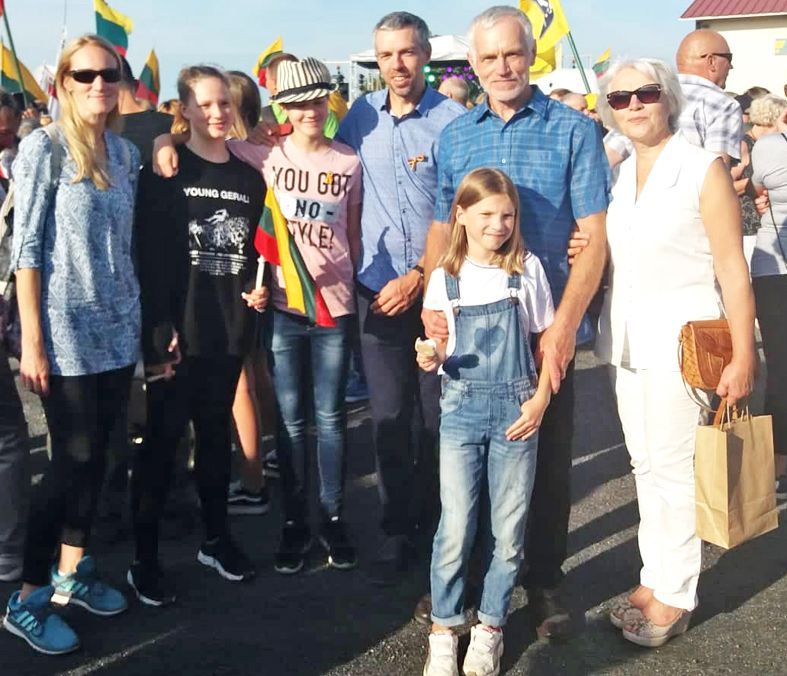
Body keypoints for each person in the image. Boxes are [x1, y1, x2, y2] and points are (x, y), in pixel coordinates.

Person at [422, 5, 610, 639]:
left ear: (531, 56)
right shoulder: (455, 137)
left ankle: (544, 581)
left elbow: (594, 236)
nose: (502, 66)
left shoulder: (574, 131)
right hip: (470, 329)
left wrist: (562, 329)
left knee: (547, 464)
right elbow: (443, 225)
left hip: (540, 323)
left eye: (512, 54)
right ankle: (464, 584)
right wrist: (431, 300)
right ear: (473, 64)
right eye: (489, 56)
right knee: (469, 465)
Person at [595, 58, 755, 647]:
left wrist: (743, 354)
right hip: (624, 340)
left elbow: (732, 268)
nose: (634, 105)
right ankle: (654, 577)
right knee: (645, 466)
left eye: (645, 93)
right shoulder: (617, 176)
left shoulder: (701, 168)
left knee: (676, 471)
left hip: (683, 343)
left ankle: (677, 595)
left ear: (668, 97)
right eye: (620, 99)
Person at [4, 34, 141, 655]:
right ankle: (27, 597)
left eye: (108, 74)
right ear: (62, 83)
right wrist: (33, 340)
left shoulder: (125, 152)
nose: (98, 85)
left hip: (119, 328)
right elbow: (27, 249)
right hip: (64, 333)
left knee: (102, 456)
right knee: (70, 461)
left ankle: (72, 570)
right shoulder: (45, 147)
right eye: (84, 75)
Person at [336, 11, 466, 587]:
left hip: (436, 290)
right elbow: (317, 163)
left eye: (407, 52)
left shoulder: (454, 122)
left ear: (426, 55)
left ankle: (440, 525)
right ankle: (395, 527)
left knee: (438, 417)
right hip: (376, 291)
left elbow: (463, 213)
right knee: (388, 416)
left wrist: (419, 275)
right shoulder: (359, 116)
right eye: (386, 55)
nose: (397, 65)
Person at [130, 65, 265, 606]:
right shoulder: (165, 170)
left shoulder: (249, 177)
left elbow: (255, 254)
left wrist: (258, 291)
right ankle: (144, 558)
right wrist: (157, 327)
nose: (216, 113)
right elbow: (148, 255)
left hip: (227, 330)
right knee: (163, 444)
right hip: (175, 335)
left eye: (224, 103)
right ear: (183, 109)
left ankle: (216, 539)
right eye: (204, 104)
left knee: (215, 439)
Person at [229, 58, 362, 573]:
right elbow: (202, 144)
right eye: (298, 103)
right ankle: (294, 522)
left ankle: (333, 517)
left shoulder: (348, 161)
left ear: (329, 100)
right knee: (290, 420)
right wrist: (161, 142)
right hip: (284, 308)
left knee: (330, 418)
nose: (310, 110)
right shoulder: (265, 153)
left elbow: (351, 232)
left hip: (335, 307)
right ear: (282, 107)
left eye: (317, 100)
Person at [419, 168, 554, 676]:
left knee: (509, 530)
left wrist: (540, 400)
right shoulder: (444, 278)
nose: (498, 225)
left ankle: (490, 626)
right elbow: (439, 346)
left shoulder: (527, 270)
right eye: (487, 214)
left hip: (518, 410)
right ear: (461, 215)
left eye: (507, 215)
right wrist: (431, 356)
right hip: (461, 408)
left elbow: (546, 343)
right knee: (455, 526)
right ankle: (444, 629)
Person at [224, 69, 272, 516]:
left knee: (240, 382)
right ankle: (267, 454)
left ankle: (253, 481)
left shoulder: (237, 156)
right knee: (256, 371)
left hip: (240, 278)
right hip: (262, 276)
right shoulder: (267, 152)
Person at [605, 29, 742, 171]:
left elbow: (604, 160)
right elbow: (718, 171)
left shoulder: (650, 97)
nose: (731, 66)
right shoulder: (723, 105)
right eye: (729, 58)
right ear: (711, 61)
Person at [750, 99, 787, 498]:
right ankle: (776, 465)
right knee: (783, 369)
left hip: (775, 266)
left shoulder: (771, 145)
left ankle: (777, 465)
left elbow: (760, 187)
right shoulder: (773, 145)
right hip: (778, 268)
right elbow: (761, 183)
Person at [737, 94, 786, 265]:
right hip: (746, 229)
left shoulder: (770, 145)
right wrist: (754, 184)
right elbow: (723, 186)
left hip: (766, 225)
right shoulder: (743, 145)